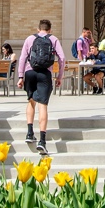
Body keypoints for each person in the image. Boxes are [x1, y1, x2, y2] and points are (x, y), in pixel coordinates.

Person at [16, 19, 65, 153]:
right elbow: (62, 58)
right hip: (45, 74)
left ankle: (29, 133)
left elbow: (22, 58)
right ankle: (42, 141)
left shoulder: (30, 38)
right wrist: (59, 76)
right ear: (50, 30)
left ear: (39, 29)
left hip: (30, 72)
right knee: (42, 105)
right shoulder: (53, 39)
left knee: (31, 101)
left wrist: (21, 76)